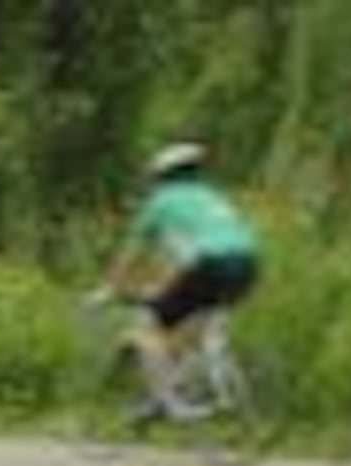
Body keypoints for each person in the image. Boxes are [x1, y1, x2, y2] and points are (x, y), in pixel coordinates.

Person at [101, 143, 261, 422]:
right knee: (189, 329)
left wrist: (111, 288)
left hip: (210, 265)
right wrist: (165, 286)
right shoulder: (213, 198)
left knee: (148, 330)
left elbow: (132, 254)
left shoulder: (161, 202)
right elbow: (186, 261)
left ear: (160, 177)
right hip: (247, 264)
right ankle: (170, 393)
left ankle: (173, 404)